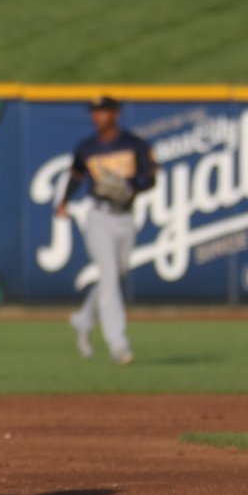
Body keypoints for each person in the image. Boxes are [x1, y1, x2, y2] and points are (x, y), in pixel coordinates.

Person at [55, 95, 157, 365]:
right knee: (110, 277)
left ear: (115, 114)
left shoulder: (134, 144)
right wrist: (63, 202)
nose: (97, 116)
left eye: (102, 112)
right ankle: (118, 345)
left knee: (114, 278)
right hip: (99, 216)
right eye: (94, 112)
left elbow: (151, 177)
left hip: (125, 218)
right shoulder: (87, 147)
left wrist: (133, 186)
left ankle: (84, 319)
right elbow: (76, 176)